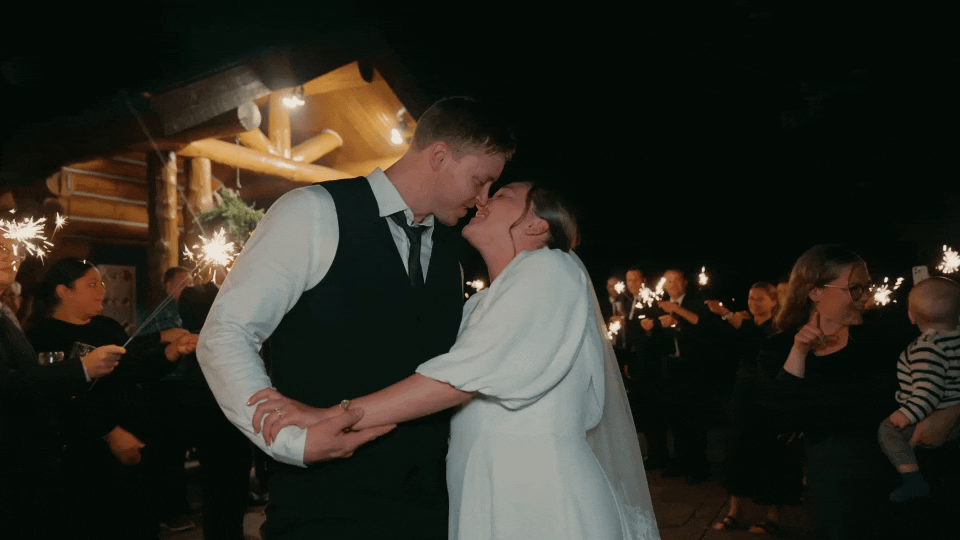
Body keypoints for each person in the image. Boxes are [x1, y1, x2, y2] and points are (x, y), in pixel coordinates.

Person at [250, 182, 659, 539]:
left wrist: (332, 415)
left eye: (501, 195)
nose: (482, 200)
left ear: (537, 225)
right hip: (483, 486)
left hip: (536, 490)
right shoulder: (479, 303)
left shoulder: (550, 269)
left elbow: (454, 381)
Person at [197, 97, 516, 539]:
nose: (482, 201)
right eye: (479, 181)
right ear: (440, 156)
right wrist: (293, 443)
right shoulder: (312, 211)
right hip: (325, 507)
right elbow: (225, 333)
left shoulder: (454, 252)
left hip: (428, 509)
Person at [0, 238, 127, 539]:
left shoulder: (6, 313)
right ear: (63, 291)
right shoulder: (39, 329)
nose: (10, 256)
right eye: (0, 249)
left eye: (10, 248)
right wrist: (80, 368)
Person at [709, 282, 803, 534]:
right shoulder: (744, 324)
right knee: (737, 451)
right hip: (743, 395)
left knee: (769, 455)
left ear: (774, 302)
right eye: (751, 298)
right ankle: (734, 512)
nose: (754, 302)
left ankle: (773, 517)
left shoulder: (778, 328)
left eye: (760, 298)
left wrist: (728, 315)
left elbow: (760, 341)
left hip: (766, 396)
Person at [877, 277, 960, 502]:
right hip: (954, 412)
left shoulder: (926, 348)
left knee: (887, 430)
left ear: (911, 316)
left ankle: (913, 480)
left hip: (935, 412)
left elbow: (927, 391)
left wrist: (909, 413)